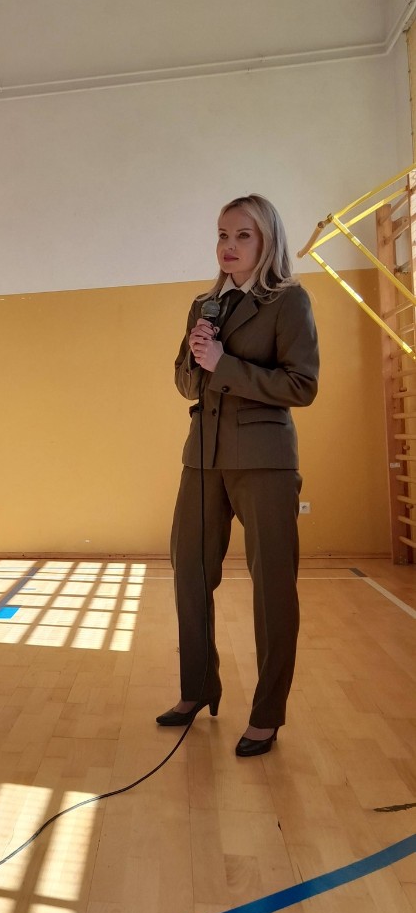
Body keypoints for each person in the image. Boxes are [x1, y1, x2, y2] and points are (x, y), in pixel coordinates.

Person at [157, 194, 319, 756]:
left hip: (265, 460)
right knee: (189, 572)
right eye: (222, 235)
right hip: (202, 457)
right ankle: (197, 688)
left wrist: (224, 364)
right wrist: (196, 359)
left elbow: (302, 385)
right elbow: (186, 383)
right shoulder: (204, 304)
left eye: (242, 235)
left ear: (267, 241)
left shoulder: (288, 301)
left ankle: (267, 714)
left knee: (272, 586)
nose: (228, 246)